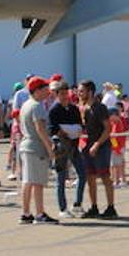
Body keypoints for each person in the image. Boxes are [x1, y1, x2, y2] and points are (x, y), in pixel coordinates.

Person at [18, 77, 58, 224]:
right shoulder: (37, 106)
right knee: (38, 182)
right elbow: (40, 129)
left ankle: (26, 213)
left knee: (27, 181)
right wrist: (50, 148)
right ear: (37, 90)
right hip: (36, 147)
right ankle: (40, 213)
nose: (48, 91)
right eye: (45, 88)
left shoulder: (26, 105)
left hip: (26, 146)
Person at [78, 80, 117, 219]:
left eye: (82, 91)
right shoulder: (82, 107)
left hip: (102, 146)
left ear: (90, 92)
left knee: (105, 176)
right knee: (90, 177)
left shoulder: (100, 108)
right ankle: (94, 207)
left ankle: (111, 208)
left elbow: (108, 129)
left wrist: (97, 144)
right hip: (87, 147)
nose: (79, 93)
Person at [46, 81, 84, 218]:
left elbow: (80, 125)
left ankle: (77, 204)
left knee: (82, 173)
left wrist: (74, 130)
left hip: (74, 145)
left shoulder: (74, 109)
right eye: (61, 93)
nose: (64, 96)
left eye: (65, 93)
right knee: (60, 178)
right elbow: (52, 130)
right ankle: (62, 208)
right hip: (61, 147)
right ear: (56, 94)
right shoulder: (53, 110)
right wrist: (64, 132)